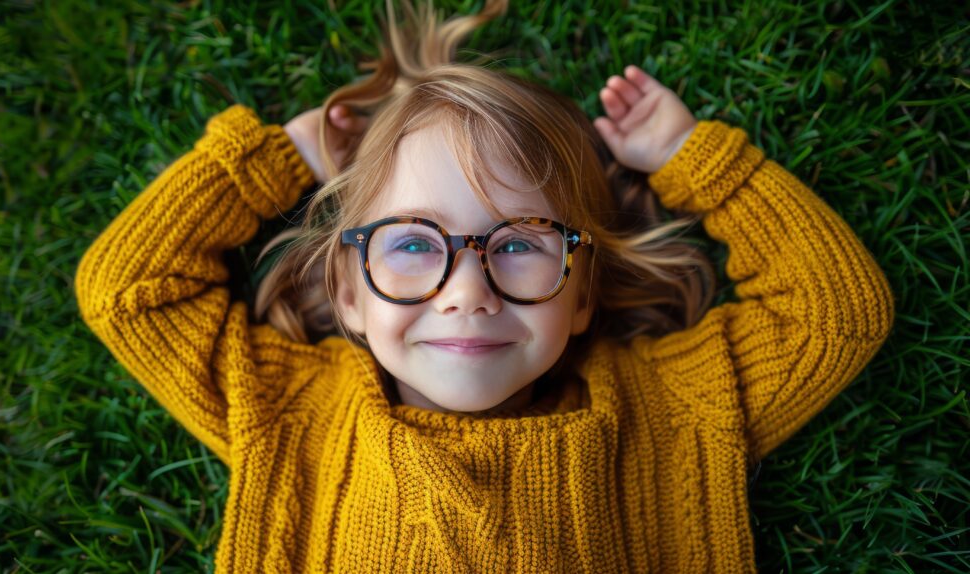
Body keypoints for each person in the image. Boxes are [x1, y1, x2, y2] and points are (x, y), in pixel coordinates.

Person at [74, 0, 894, 571]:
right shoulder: (288, 410)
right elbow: (130, 289)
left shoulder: (676, 409)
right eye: (410, 243)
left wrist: (698, 162)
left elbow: (834, 313)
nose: (467, 290)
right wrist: (271, 163)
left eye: (520, 244)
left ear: (580, 295)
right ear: (350, 292)